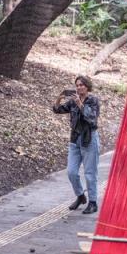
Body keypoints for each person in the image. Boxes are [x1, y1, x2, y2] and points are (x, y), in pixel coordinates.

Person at [52, 75, 101, 215]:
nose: (79, 87)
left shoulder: (93, 101)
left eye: (82, 85)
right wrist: (59, 99)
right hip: (75, 140)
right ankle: (80, 196)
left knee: (90, 173)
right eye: (77, 85)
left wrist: (80, 104)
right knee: (71, 172)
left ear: (87, 87)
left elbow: (92, 119)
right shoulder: (73, 101)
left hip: (89, 139)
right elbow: (58, 110)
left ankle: (92, 203)